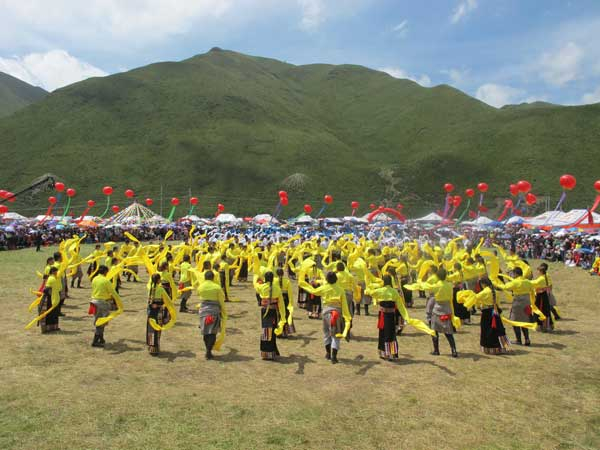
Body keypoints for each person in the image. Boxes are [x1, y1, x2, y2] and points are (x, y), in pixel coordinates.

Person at [299, 271, 351, 364]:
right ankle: (334, 356)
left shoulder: (324, 288)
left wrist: (303, 284)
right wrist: (347, 317)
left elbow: (314, 291)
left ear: (327, 279)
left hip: (326, 313)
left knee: (327, 333)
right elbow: (345, 306)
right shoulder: (340, 290)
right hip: (336, 313)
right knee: (336, 335)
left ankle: (327, 353)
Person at [460, 277, 511, 354]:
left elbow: (475, 298)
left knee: (487, 330)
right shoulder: (496, 292)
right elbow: (498, 303)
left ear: (483, 284)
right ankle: (501, 347)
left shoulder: (484, 292)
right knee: (498, 329)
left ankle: (490, 348)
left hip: (487, 313)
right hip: (495, 311)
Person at [418, 268, 459, 357]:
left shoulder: (437, 286)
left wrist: (419, 281)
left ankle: (436, 350)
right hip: (447, 308)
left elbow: (425, 287)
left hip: (438, 309)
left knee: (434, 330)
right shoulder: (449, 285)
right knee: (448, 332)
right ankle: (454, 350)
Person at [253, 271, 286, 360]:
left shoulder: (262, 287)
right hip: (273, 311)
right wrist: (283, 317)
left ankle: (266, 353)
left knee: (266, 330)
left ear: (265, 279)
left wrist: (256, 276)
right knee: (273, 329)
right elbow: (281, 304)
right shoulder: (277, 288)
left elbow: (255, 285)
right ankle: (272, 351)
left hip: (264, 311)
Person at [496, 267, 533, 346]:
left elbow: (505, 287)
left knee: (515, 321)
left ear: (516, 274)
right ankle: (527, 339)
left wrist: (495, 283)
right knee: (524, 321)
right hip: (527, 301)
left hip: (518, 301)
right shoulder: (527, 281)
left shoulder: (515, 282)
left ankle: (518, 340)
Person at [90, 265, 123, 348]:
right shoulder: (105, 281)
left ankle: (101, 338)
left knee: (100, 320)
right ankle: (95, 341)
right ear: (105, 272)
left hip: (94, 301)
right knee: (101, 321)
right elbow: (113, 292)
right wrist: (120, 303)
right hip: (102, 303)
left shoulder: (94, 279)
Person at [197, 271, 228, 360]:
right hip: (214, 311)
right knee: (213, 332)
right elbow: (221, 300)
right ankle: (208, 350)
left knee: (205, 332)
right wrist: (223, 312)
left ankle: (207, 349)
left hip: (203, 311)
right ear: (213, 278)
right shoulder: (217, 287)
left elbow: (198, 294)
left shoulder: (201, 287)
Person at [146, 273, 172, 356]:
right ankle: (155, 347)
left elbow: (149, 302)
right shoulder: (161, 289)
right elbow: (166, 300)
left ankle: (150, 346)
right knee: (157, 329)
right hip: (158, 312)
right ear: (158, 280)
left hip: (150, 312)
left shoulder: (150, 288)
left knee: (151, 329)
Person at [38, 266, 61, 333]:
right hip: (49, 299)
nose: (57, 273)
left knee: (54, 313)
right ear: (53, 272)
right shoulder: (51, 278)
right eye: (56, 271)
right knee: (49, 314)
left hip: (53, 298)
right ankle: (47, 328)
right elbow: (46, 289)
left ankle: (53, 327)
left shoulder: (54, 278)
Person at [276, 267, 295, 337]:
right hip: (285, 299)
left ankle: (279, 332)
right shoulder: (287, 281)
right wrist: (291, 303)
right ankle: (285, 332)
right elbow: (290, 294)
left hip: (277, 299)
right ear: (283, 274)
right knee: (286, 315)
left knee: (278, 315)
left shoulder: (274, 281)